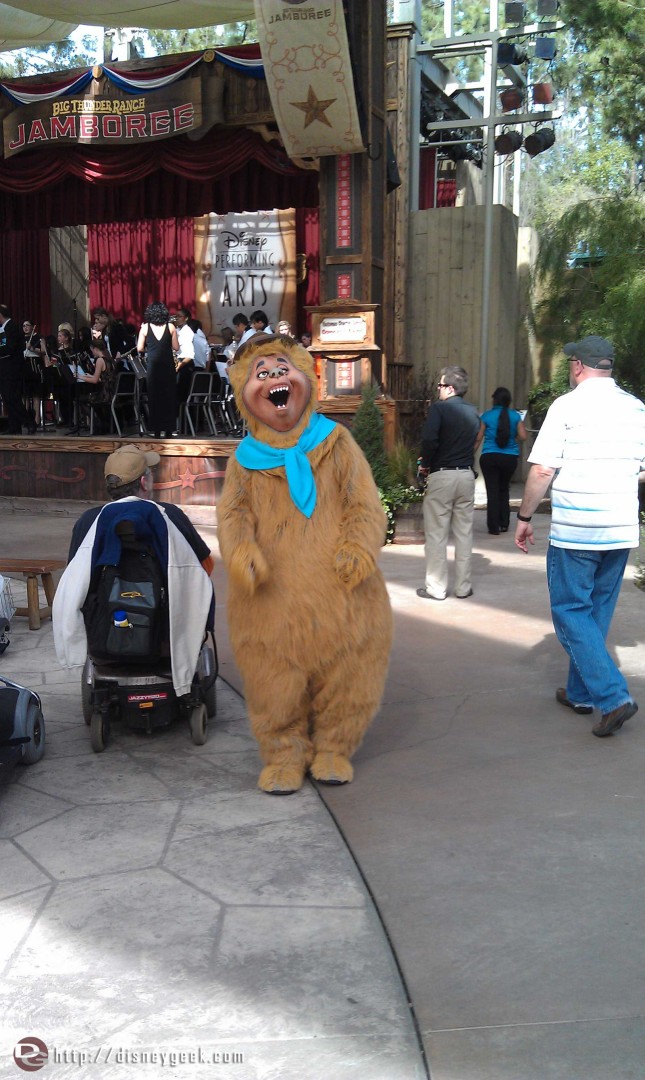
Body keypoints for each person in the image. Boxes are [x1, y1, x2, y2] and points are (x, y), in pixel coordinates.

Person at [514, 335, 645, 738]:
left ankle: (611, 696)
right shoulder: (636, 407)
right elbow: (640, 469)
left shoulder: (567, 406)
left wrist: (524, 515)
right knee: (595, 613)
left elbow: (541, 470)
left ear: (577, 366)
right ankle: (580, 693)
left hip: (577, 532)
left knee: (570, 611)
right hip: (620, 529)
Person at [68, 444, 214, 575]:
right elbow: (205, 567)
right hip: (164, 604)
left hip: (102, 604)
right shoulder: (169, 514)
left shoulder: (88, 520)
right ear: (144, 482)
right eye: (151, 473)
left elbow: (74, 574)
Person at [417, 365, 481, 601]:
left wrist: (425, 464)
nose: (438, 389)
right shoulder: (474, 412)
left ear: (451, 388)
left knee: (436, 534)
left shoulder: (439, 410)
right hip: (466, 474)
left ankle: (436, 588)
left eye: (441, 385)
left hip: (442, 475)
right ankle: (463, 587)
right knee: (464, 533)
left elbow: (429, 439)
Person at [479, 386, 527, 534]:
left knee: (492, 491)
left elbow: (478, 437)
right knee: (504, 489)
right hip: (510, 457)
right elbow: (523, 436)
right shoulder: (515, 416)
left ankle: (493, 526)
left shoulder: (486, 416)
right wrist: (513, 438)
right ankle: (504, 523)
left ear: (494, 400)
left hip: (489, 456)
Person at [137, 302, 179, 438]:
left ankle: (155, 430)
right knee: (169, 397)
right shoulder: (171, 327)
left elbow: (139, 348)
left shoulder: (145, 328)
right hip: (167, 366)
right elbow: (176, 347)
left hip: (153, 366)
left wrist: (150, 346)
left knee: (154, 398)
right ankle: (168, 430)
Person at [0, 304, 35, 434]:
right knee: (7, 397)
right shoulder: (3, 328)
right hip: (4, 368)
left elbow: (11, 347)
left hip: (12, 368)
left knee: (12, 397)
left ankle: (29, 422)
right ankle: (14, 426)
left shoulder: (12, 327)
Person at [173, 306, 196, 406]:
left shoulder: (187, 332)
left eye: (179, 316)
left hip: (183, 365)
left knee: (179, 397)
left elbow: (189, 355)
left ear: (186, 318)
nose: (176, 319)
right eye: (175, 316)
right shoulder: (176, 330)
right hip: (176, 362)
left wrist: (178, 366)